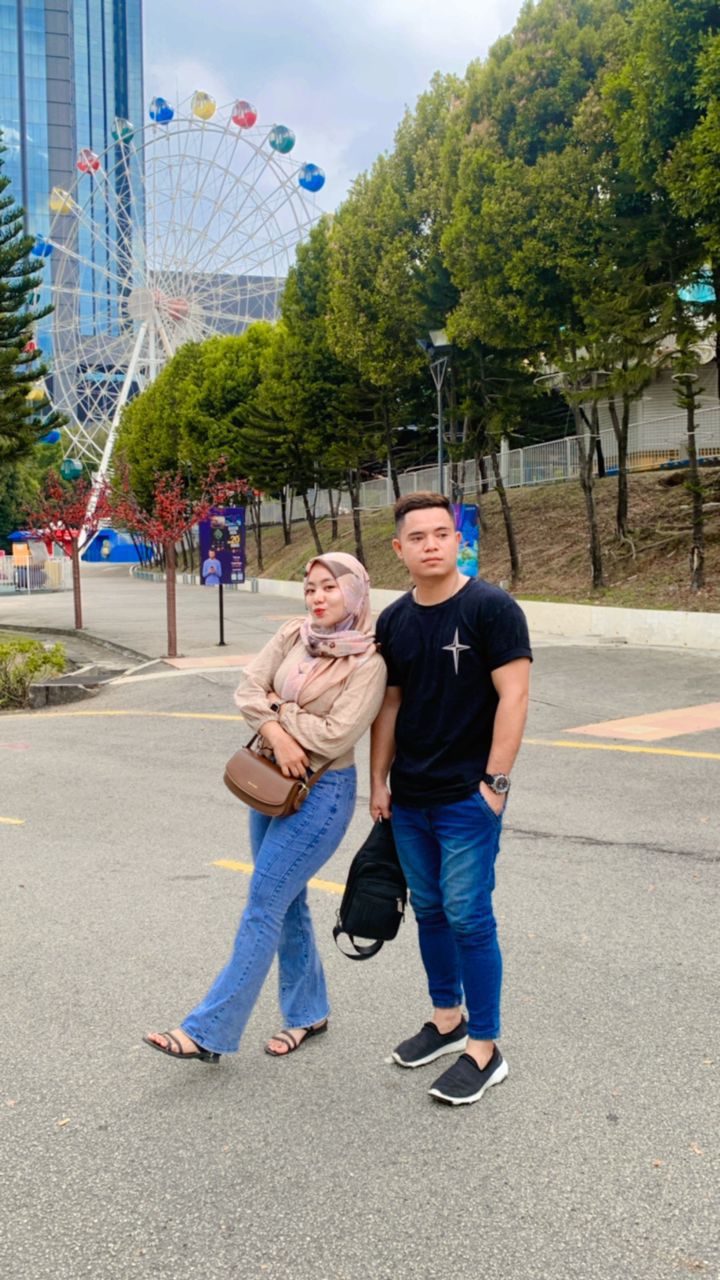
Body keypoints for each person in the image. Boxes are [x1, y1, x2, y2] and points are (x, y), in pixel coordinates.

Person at [144, 552, 387, 1064]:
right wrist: (279, 732)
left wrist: (276, 712)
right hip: (272, 779)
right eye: (310, 587)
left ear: (355, 593)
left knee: (264, 903)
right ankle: (308, 1013)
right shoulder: (294, 635)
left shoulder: (369, 663)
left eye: (329, 587)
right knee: (286, 901)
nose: (317, 598)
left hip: (321, 793)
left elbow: (336, 735)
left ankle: (207, 1030)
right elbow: (247, 689)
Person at [370, 493, 532, 1106]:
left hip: (469, 796)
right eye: (418, 537)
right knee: (431, 912)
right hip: (410, 797)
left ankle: (485, 1049)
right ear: (399, 548)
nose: (431, 544)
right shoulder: (394, 620)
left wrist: (495, 785)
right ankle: (447, 1020)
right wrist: (378, 781)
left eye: (442, 533)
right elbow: (389, 705)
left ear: (457, 540)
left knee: (468, 916)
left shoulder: (492, 608)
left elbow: (515, 696)